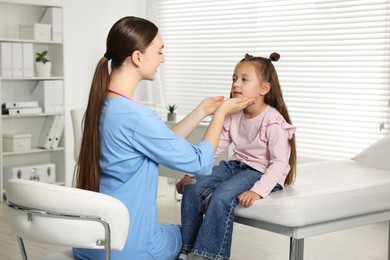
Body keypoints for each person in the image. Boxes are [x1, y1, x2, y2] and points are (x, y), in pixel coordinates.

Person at [72, 16, 254, 260]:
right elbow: (199, 162)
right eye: (159, 51)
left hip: (93, 244)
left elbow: (159, 141)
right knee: (201, 236)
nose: (163, 59)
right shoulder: (136, 117)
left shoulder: (105, 105)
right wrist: (220, 115)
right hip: (129, 248)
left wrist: (201, 111)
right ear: (138, 57)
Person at [176, 53, 297, 260]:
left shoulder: (273, 121)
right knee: (193, 187)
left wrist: (258, 191)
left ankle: (208, 255)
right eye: (234, 79)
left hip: (260, 171)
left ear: (264, 88)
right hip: (235, 166)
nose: (236, 84)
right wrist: (190, 173)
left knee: (222, 195)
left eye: (244, 79)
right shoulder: (233, 115)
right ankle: (186, 249)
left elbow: (279, 164)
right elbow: (213, 148)